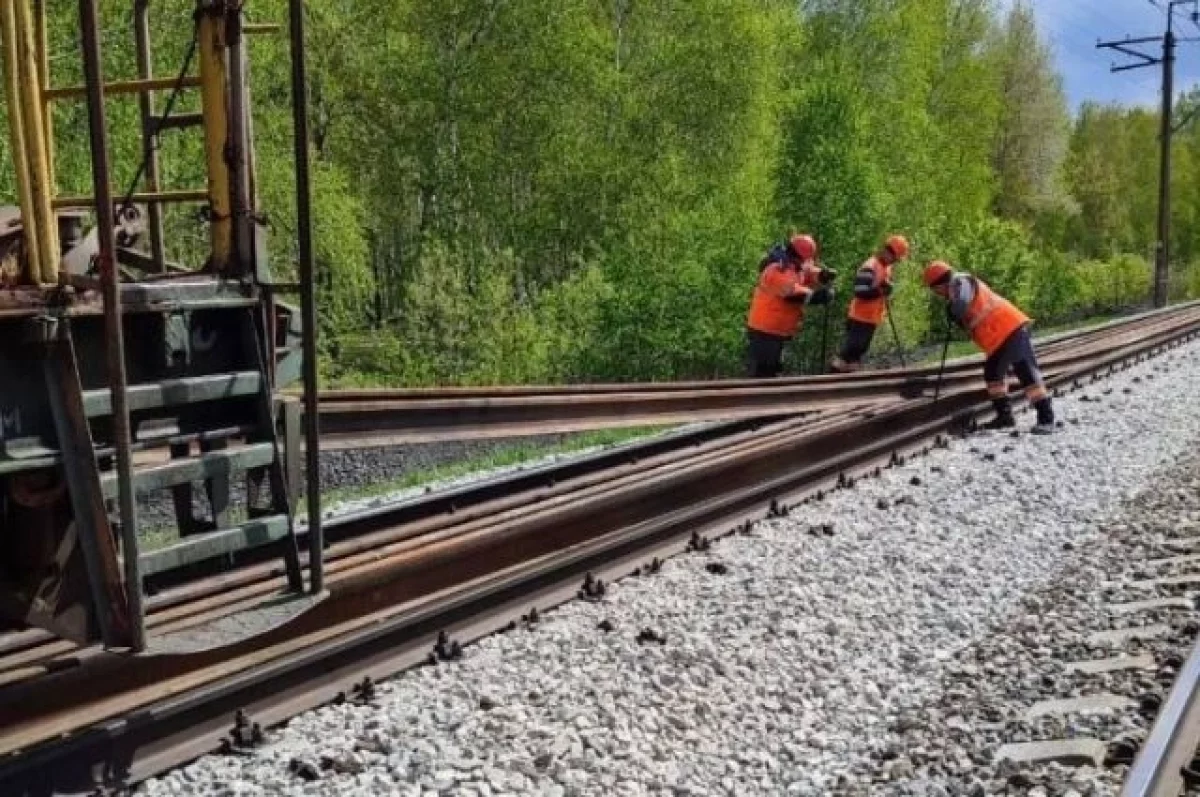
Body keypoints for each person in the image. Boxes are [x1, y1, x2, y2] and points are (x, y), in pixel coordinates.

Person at [922, 260, 1056, 434]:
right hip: (998, 338)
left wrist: (953, 310)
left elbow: (962, 303)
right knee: (992, 373)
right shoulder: (955, 288)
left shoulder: (960, 282)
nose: (937, 294)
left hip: (1010, 328)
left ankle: (1046, 418)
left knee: (1026, 372)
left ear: (940, 283)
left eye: (935, 289)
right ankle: (1005, 417)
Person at [744, 234, 836, 377]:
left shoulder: (793, 265)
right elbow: (793, 293)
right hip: (765, 330)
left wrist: (822, 275)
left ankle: (769, 397)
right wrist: (817, 296)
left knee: (773, 371)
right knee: (763, 374)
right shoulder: (776, 270)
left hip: (777, 330)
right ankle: (756, 398)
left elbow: (807, 272)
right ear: (798, 256)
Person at [830, 234, 910, 373]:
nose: (895, 262)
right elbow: (860, 291)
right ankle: (831, 381)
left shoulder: (885, 267)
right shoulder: (870, 266)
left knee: (858, 353)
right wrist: (881, 290)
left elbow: (878, 287)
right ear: (888, 252)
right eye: (895, 258)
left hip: (870, 318)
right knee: (849, 351)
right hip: (859, 317)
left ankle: (850, 383)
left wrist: (886, 288)